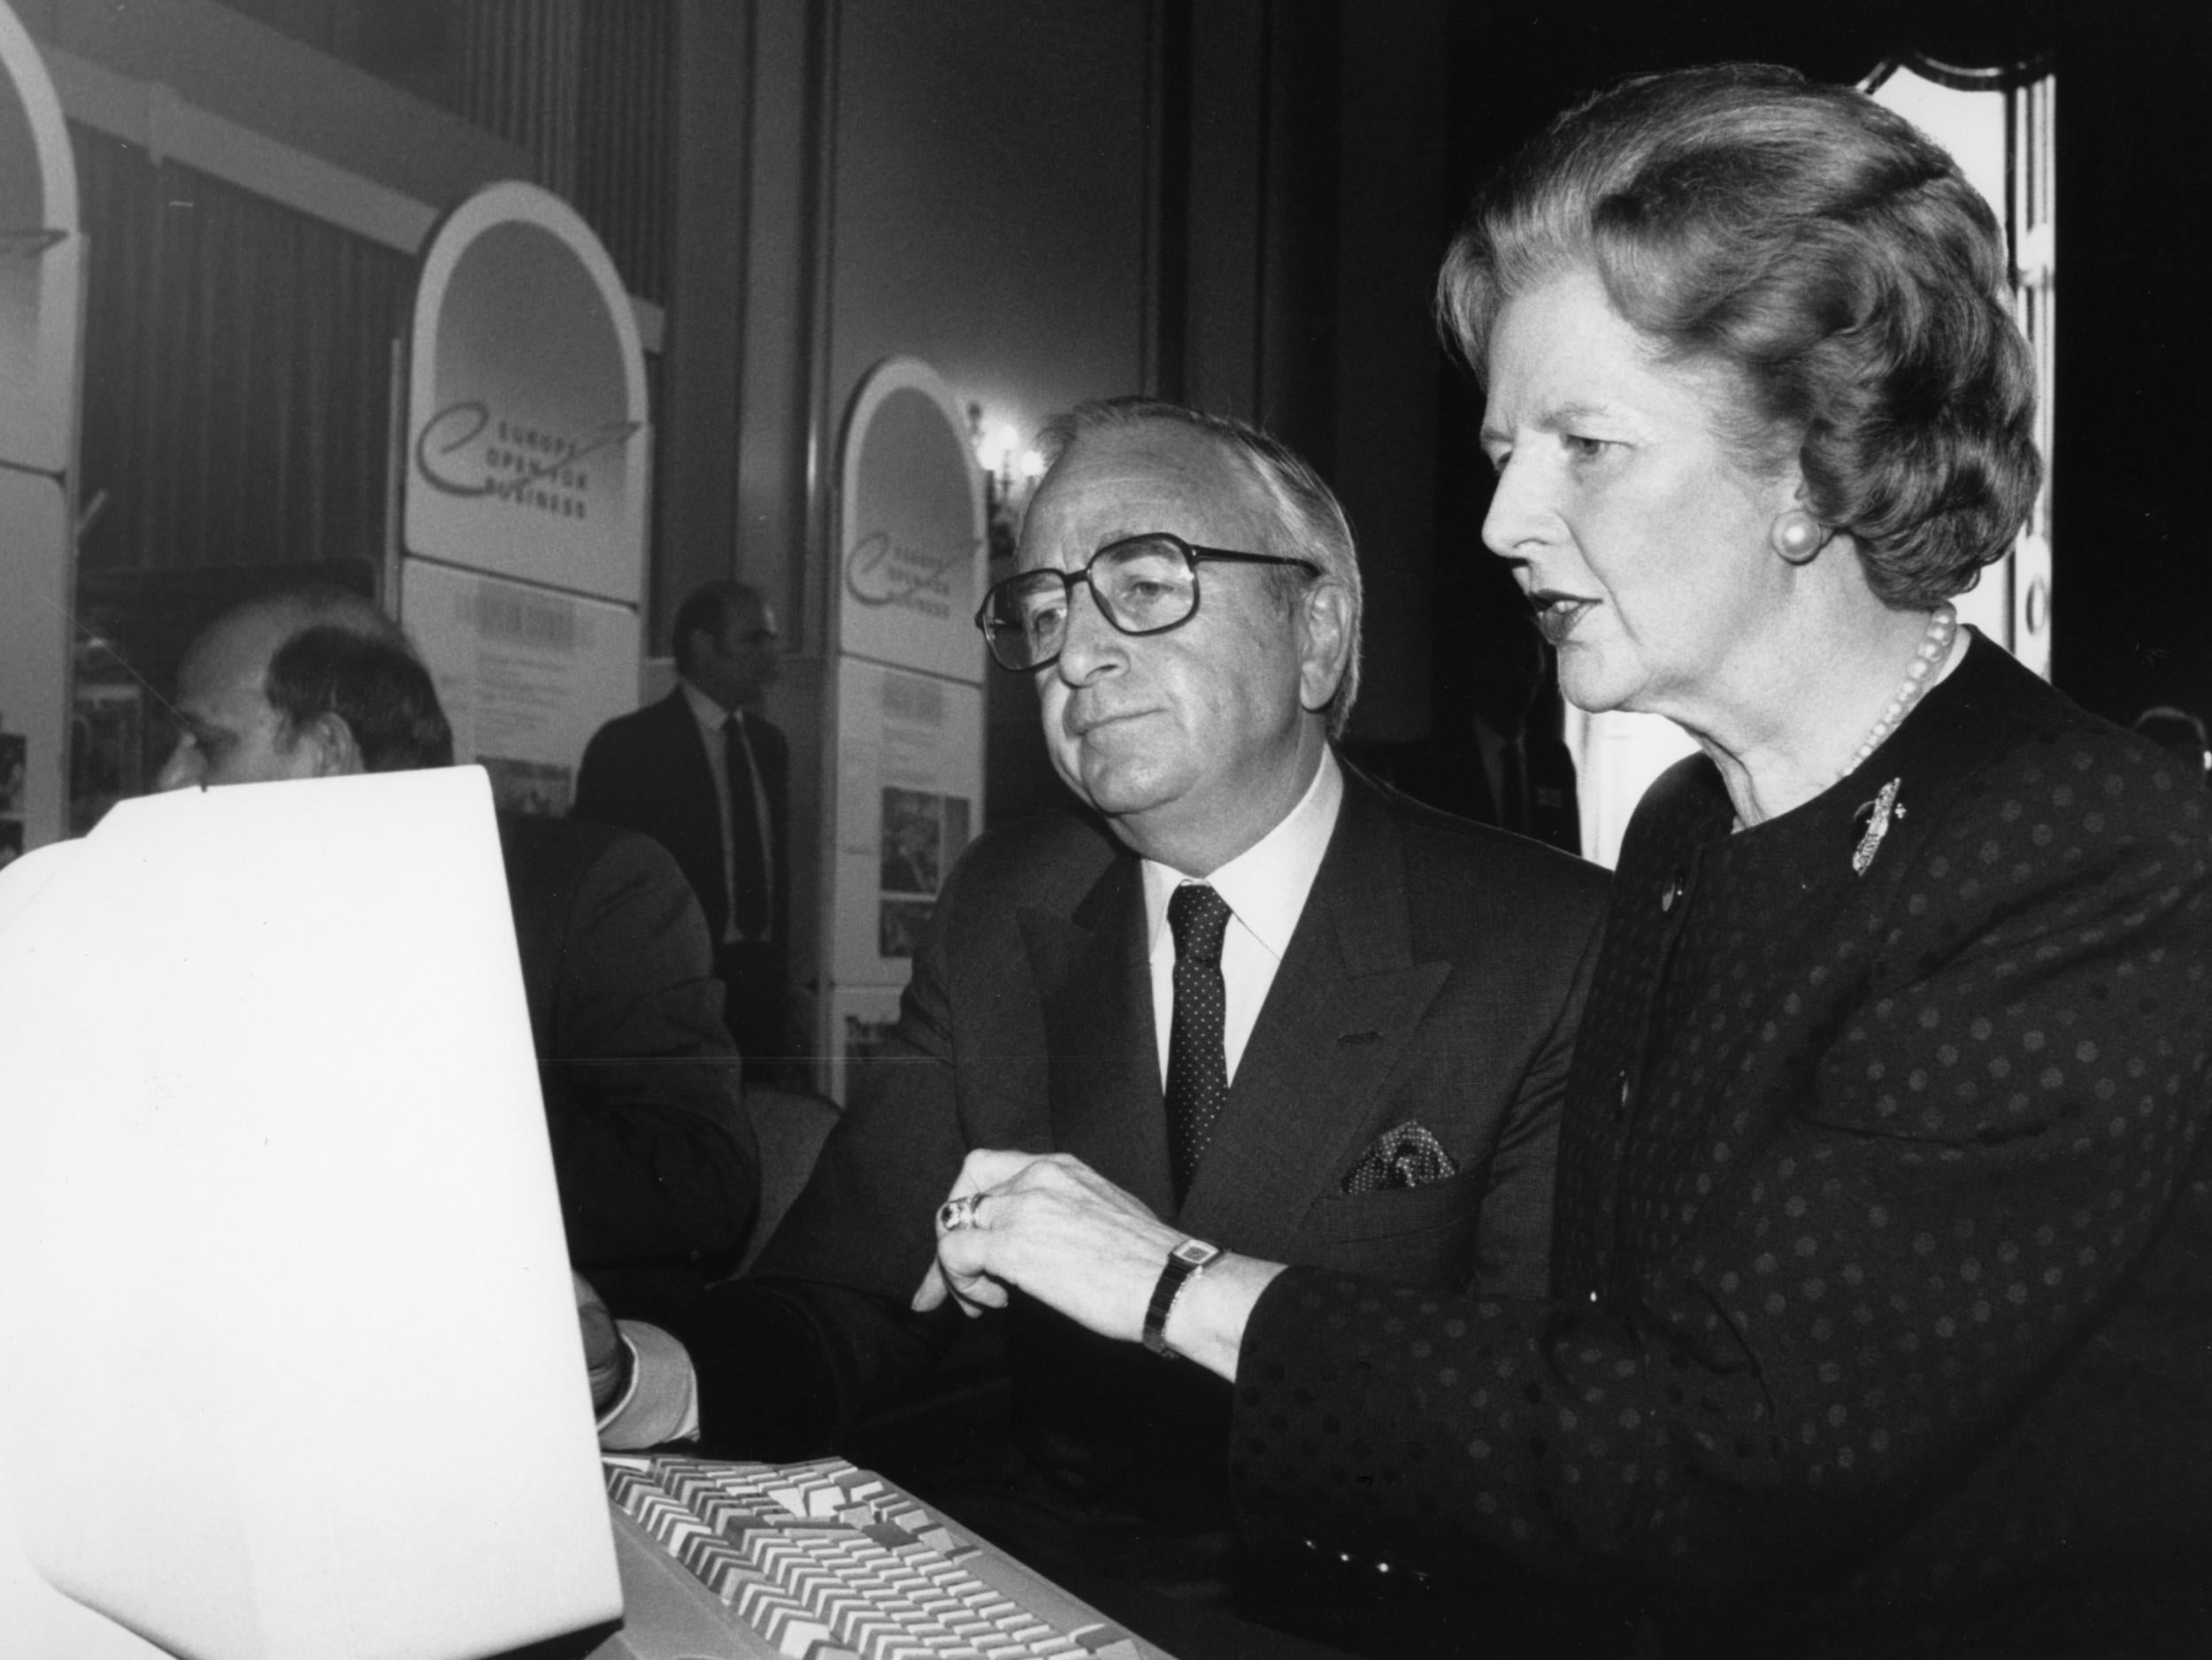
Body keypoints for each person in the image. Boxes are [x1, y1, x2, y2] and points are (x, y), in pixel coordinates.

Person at [922, 68, 2212, 1657]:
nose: (1502, 519)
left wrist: (1173, 1283)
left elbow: (1717, 1454)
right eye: (1503, 445)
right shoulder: (1685, 830)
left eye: (1585, 444)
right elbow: (1580, 1356)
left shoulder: (2082, 850)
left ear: (1815, 462)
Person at [589, 399, 1610, 1633]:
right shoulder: (1000, 907)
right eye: (1043, 611)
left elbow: (1548, 1444)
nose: (1075, 655)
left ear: (1319, 633)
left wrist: (1173, 1287)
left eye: (1142, 583)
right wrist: (634, 1371)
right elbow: (847, 1293)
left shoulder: (1546, 944)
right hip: (1037, 1597)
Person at [157, 590, 758, 1322]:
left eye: (206, 744)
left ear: (326, 752)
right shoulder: (203, 912)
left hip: (520, 1356)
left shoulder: (588, 892)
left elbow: (701, 1181)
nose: (167, 781)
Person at [573, 580, 792, 1080]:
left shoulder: (770, 745)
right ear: (701, 646)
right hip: (671, 988)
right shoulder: (629, 746)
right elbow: (602, 885)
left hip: (758, 989)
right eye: (753, 640)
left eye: (771, 639)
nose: (771, 657)